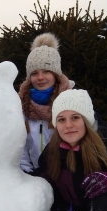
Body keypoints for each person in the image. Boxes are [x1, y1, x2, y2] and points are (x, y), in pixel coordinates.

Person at [19, 32, 74, 175]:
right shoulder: (20, 106)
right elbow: (19, 147)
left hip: (66, 177)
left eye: (46, 71)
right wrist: (27, 174)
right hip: (32, 177)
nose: (40, 78)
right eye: (35, 73)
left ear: (56, 74)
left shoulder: (72, 102)